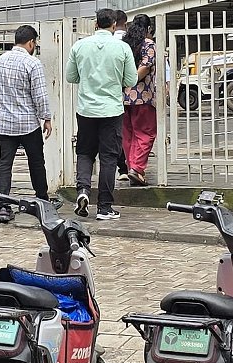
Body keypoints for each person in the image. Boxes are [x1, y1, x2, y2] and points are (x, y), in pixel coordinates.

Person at [65, 8, 137, 221]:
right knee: (109, 157)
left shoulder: (79, 46)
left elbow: (71, 76)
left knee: (85, 153)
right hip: (112, 110)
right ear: (114, 25)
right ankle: (104, 207)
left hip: (86, 109)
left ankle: (83, 192)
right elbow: (131, 80)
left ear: (96, 24)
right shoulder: (122, 48)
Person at [0, 24, 53, 223]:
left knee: (5, 163)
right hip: (28, 124)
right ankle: (42, 199)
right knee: (36, 162)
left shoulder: (0, 61)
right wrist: (46, 118)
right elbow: (40, 95)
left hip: (5, 124)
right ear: (31, 42)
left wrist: (1, 111)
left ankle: (3, 206)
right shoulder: (32, 63)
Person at [121, 14, 158, 187]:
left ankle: (131, 167)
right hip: (143, 97)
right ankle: (136, 168)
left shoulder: (124, 44)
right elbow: (145, 68)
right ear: (149, 28)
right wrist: (132, 81)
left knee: (128, 135)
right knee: (146, 133)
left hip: (122, 98)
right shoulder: (149, 44)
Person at [113, 10, 130, 181]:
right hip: (133, 93)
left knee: (117, 133)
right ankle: (134, 166)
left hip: (109, 95)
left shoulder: (107, 42)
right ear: (125, 22)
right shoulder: (130, 41)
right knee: (134, 132)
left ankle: (122, 168)